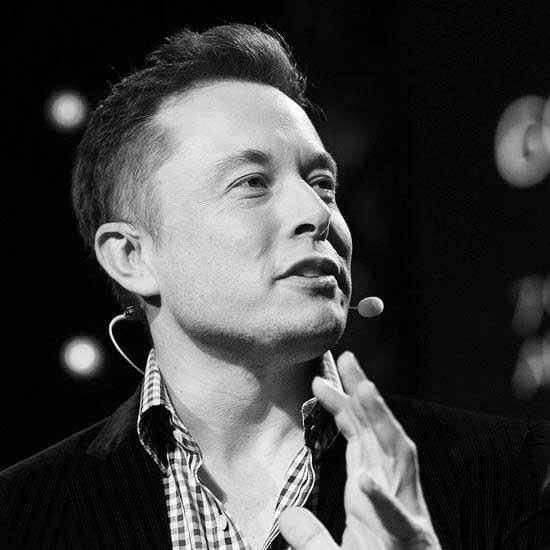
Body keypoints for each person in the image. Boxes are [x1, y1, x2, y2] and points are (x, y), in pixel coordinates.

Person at [0, 23, 548, 550]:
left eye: (323, 184)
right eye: (253, 183)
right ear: (131, 256)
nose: (317, 212)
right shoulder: (21, 515)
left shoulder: (520, 476)